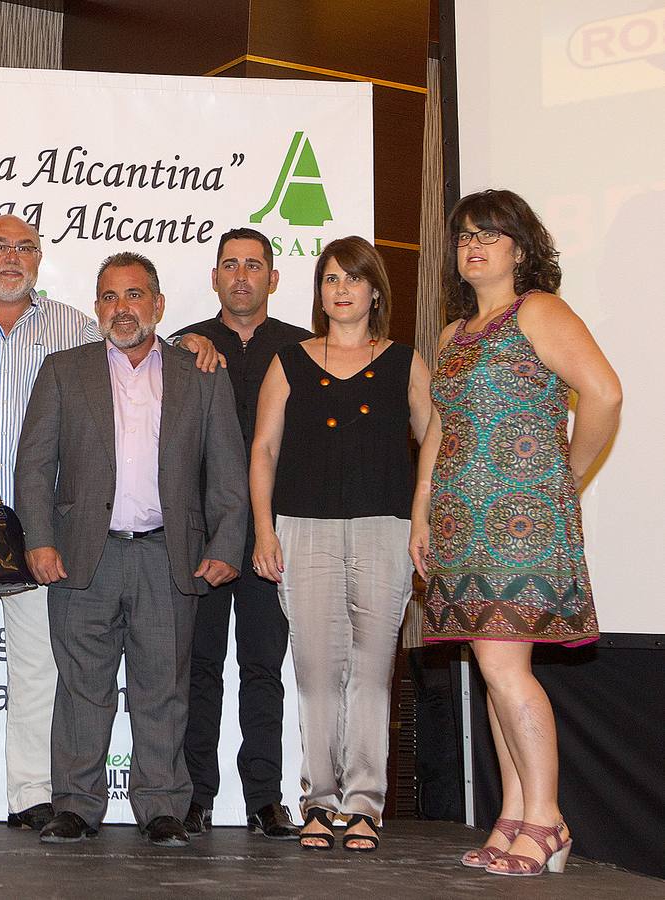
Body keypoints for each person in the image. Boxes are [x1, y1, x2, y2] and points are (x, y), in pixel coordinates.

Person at [0, 215, 219, 832]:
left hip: (45, 526)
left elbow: (133, 346)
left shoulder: (72, 326)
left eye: (24, 248)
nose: (11, 258)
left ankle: (34, 792)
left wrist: (196, 341)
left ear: (40, 259)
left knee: (40, 670)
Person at [410, 190, 620, 876]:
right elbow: (442, 429)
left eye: (490, 236)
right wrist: (421, 508)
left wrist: (566, 475)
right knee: (493, 673)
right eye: (466, 236)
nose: (474, 247)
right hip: (460, 526)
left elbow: (605, 392)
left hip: (520, 522)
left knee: (504, 668)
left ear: (521, 250)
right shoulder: (453, 334)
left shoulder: (538, 311)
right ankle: (513, 814)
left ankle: (548, 820)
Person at [16, 252, 248, 848]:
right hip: (81, 556)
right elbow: (35, 467)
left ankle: (163, 805)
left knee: (163, 687)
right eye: (111, 297)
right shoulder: (64, 370)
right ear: (97, 308)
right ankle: (75, 805)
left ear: (159, 305)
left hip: (168, 556)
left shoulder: (201, 373)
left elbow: (226, 468)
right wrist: (37, 539)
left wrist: (226, 543)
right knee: (80, 687)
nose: (123, 308)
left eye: (135, 295)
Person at [250, 236, 432, 853]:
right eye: (330, 279)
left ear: (375, 290)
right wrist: (264, 528)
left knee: (372, 672)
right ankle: (319, 802)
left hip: (386, 530)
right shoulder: (290, 361)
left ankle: (364, 805)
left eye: (354, 279)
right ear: (319, 291)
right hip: (303, 528)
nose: (342, 289)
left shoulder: (405, 361)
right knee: (316, 671)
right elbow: (263, 450)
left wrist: (423, 516)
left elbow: (434, 438)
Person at [167, 226, 309, 839]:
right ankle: (195, 795)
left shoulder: (306, 349)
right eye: (231, 265)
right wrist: (178, 340)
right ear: (215, 278)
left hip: (273, 535)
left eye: (255, 265)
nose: (242, 276)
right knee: (197, 669)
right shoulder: (187, 348)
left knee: (262, 667)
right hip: (202, 534)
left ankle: (264, 796)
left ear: (274, 279)